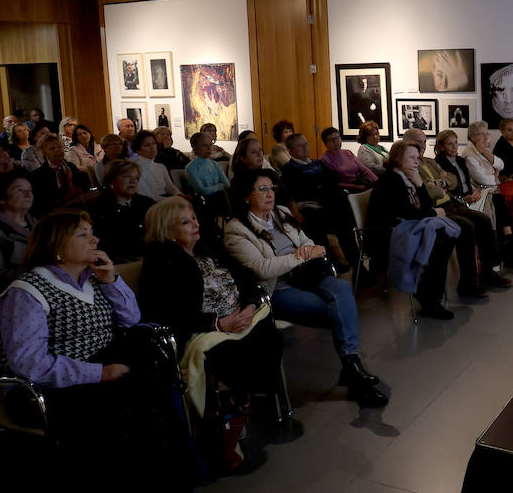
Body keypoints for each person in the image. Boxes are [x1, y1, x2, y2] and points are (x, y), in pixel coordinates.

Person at [0, 209, 223, 493]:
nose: (95, 240)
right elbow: (29, 363)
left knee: (160, 410)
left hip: (102, 371)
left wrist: (112, 280)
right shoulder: (28, 291)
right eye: (83, 234)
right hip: (51, 389)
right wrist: (97, 373)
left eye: (92, 232)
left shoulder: (92, 278)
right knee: (131, 422)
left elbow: (131, 319)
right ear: (57, 246)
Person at [223, 170, 387, 408]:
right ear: (246, 196)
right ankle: (353, 370)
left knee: (342, 289)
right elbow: (262, 269)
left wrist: (306, 251)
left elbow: (307, 242)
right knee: (340, 312)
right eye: (262, 189)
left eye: (272, 188)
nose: (270, 194)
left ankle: (351, 367)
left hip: (307, 276)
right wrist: (299, 257)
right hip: (278, 289)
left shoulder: (282, 213)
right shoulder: (236, 229)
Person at [139, 197, 285, 457]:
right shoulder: (160, 261)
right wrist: (217, 323)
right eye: (185, 222)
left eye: (194, 218)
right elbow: (166, 313)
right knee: (234, 352)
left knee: (269, 335)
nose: (195, 224)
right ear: (166, 230)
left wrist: (250, 305)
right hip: (202, 330)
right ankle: (232, 404)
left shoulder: (208, 249)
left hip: (240, 317)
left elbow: (245, 278)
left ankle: (242, 397)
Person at [367, 141, 471, 311]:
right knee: (441, 238)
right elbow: (406, 213)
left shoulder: (406, 178)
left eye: (417, 157)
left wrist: (420, 184)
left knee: (449, 233)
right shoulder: (390, 179)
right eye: (411, 157)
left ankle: (433, 293)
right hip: (387, 233)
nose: (417, 161)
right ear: (397, 158)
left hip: (404, 226)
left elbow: (424, 206)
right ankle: (430, 297)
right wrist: (434, 214)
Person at [403, 128, 509, 289]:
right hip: (437, 208)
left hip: (452, 203)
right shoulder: (411, 165)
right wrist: (441, 183)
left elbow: (453, 181)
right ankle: (468, 282)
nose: (422, 146)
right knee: (467, 226)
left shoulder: (429, 162)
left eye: (424, 142)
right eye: (418, 142)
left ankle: (488, 273)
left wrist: (440, 183)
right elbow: (429, 191)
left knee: (484, 219)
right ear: (407, 143)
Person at [433, 128, 513, 267]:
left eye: (456, 142)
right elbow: (446, 189)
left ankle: (507, 248)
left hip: (472, 195)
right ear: (441, 146)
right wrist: (465, 196)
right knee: (495, 203)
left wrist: (475, 191)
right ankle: (505, 251)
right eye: (450, 144)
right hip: (458, 200)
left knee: (498, 200)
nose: (455, 146)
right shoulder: (438, 164)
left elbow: (467, 182)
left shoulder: (460, 160)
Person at [278, 132, 356, 267]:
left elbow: (334, 178)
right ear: (291, 151)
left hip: (328, 204)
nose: (305, 147)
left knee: (345, 221)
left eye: (305, 144)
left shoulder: (317, 163)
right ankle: (329, 262)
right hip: (311, 209)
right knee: (318, 222)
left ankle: (356, 262)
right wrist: (320, 185)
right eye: (300, 146)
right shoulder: (289, 169)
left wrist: (319, 185)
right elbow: (301, 191)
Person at [28, 133, 92, 217]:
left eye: (59, 147)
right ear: (44, 153)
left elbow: (86, 184)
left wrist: (80, 190)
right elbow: (40, 204)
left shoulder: (71, 166)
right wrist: (63, 198)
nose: (58, 150)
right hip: (57, 215)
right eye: (52, 149)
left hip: (80, 208)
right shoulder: (38, 175)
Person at [319, 126, 379, 193]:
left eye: (337, 138)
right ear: (325, 143)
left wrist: (377, 181)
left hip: (359, 183)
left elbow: (364, 170)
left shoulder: (347, 152)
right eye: (331, 140)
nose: (335, 142)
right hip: (344, 190)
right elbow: (332, 183)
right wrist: (355, 186)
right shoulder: (325, 159)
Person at [129, 129, 180, 200]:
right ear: (138, 150)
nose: (152, 147)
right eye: (147, 145)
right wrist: (173, 200)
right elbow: (146, 196)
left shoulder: (161, 167)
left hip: (167, 200)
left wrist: (180, 195)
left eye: (153, 143)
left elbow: (171, 188)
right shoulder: (135, 168)